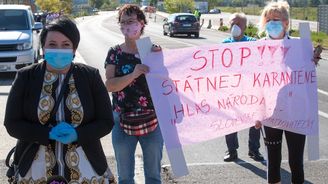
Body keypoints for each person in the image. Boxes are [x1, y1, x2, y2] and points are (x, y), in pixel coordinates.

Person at [4, 16, 115, 183]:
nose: (59, 49)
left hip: (86, 168)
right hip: (35, 170)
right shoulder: (26, 77)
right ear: (43, 48)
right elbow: (12, 124)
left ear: (74, 49)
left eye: (66, 45)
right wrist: (46, 134)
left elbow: (106, 121)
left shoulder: (90, 76)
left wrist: (78, 134)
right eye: (52, 45)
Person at [256, 1, 322, 183]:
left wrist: (312, 58)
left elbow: (306, 75)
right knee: (273, 160)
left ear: (286, 23)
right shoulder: (258, 47)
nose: (271, 23)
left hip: (296, 112)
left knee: (295, 161)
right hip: (271, 113)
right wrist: (256, 114)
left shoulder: (301, 46)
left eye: (276, 19)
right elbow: (254, 84)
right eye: (268, 19)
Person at [104, 4, 163, 184]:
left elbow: (166, 83)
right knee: (125, 178)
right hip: (121, 121)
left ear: (142, 23)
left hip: (153, 120)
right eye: (123, 22)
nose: (127, 26)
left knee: (153, 177)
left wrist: (160, 59)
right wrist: (133, 74)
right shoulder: (114, 53)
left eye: (131, 21)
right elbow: (110, 85)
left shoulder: (152, 50)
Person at [221, 12, 264, 162]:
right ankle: (231, 150)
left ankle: (254, 150)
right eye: (233, 23)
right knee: (231, 120)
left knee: (255, 121)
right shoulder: (224, 45)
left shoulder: (253, 42)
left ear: (245, 26)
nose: (235, 26)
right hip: (231, 90)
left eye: (239, 24)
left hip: (251, 89)